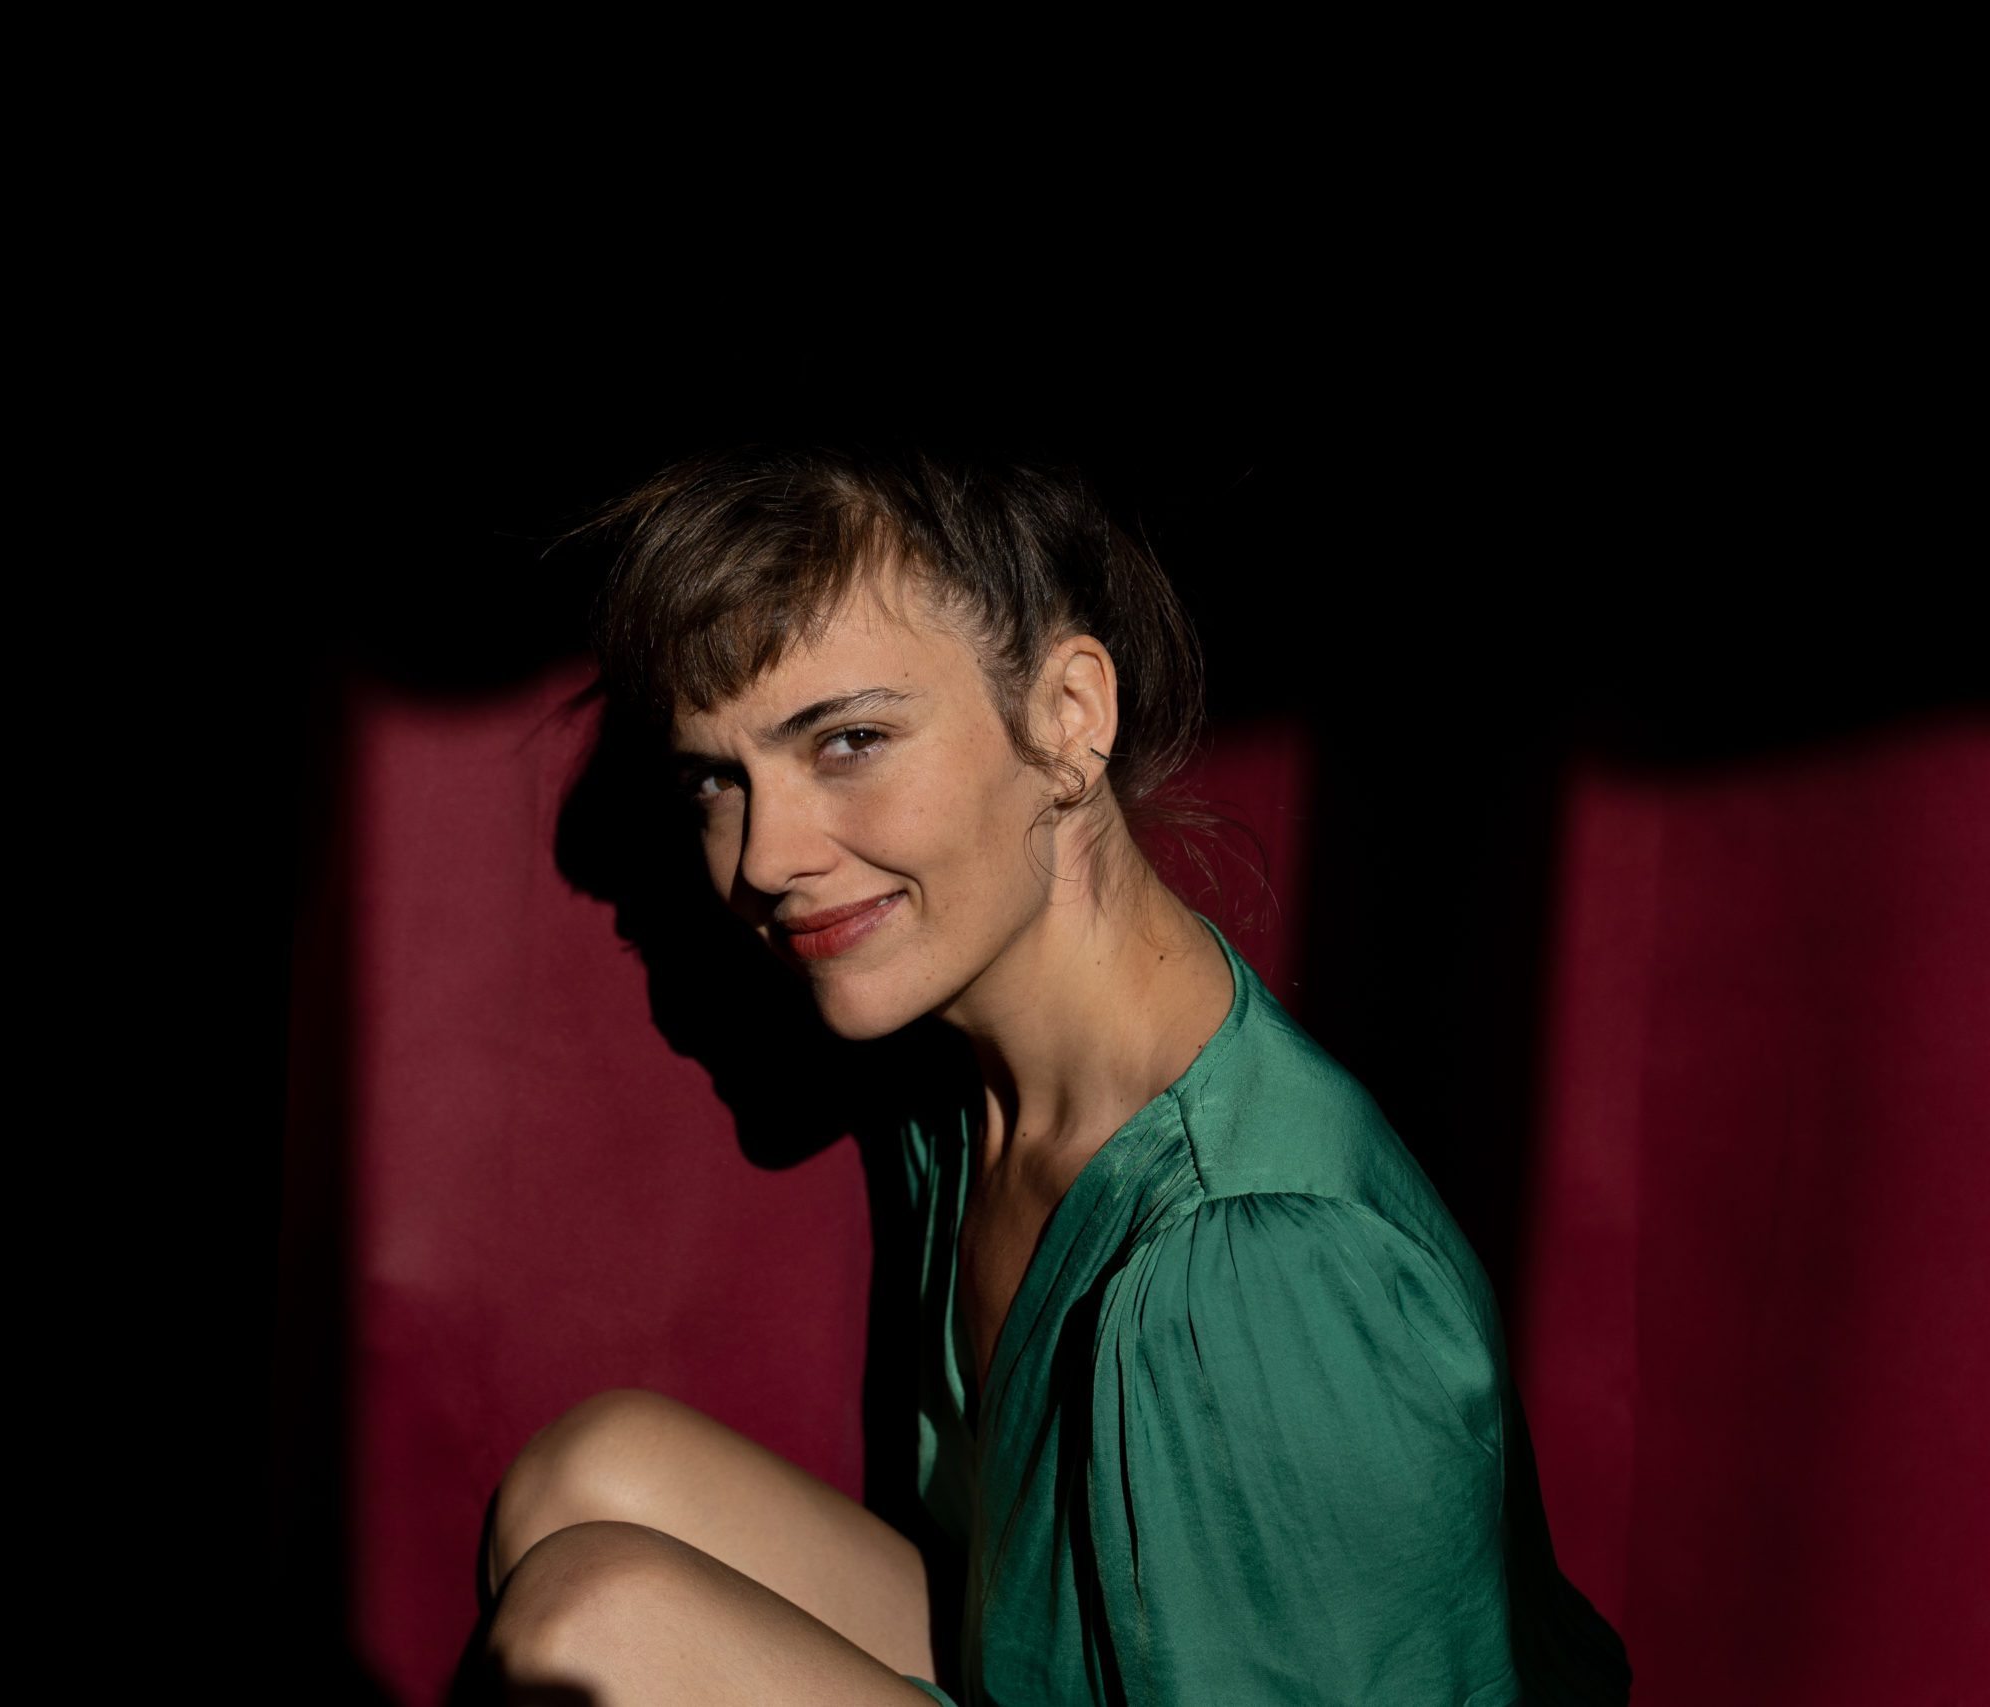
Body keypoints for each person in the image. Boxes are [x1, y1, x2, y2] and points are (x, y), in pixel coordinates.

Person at [479, 447, 1631, 1705]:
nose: (764, 858)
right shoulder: (955, 1093)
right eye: (719, 779)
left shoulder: (1258, 1275)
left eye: (850, 740)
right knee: (587, 1479)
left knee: (598, 1626)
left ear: (1071, 715)